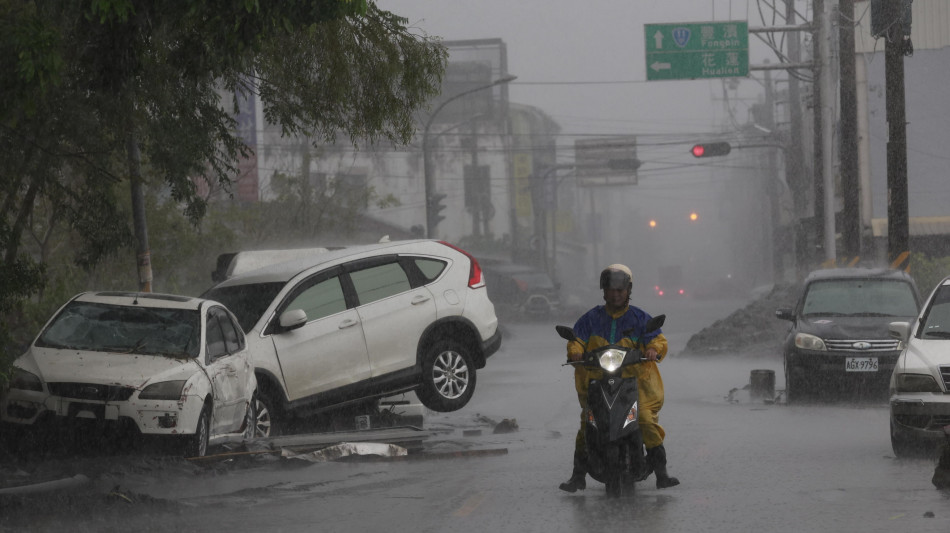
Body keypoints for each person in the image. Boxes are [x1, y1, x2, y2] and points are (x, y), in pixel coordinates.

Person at [559, 264, 680, 492]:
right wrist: (575, 350)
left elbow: (658, 339)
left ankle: (661, 472)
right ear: (603, 291)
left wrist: (653, 349)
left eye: (620, 290)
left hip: (636, 385)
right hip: (598, 383)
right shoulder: (591, 319)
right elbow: (577, 339)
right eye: (610, 290)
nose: (615, 294)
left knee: (644, 419)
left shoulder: (640, 318)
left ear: (628, 291)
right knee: (588, 423)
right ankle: (578, 475)